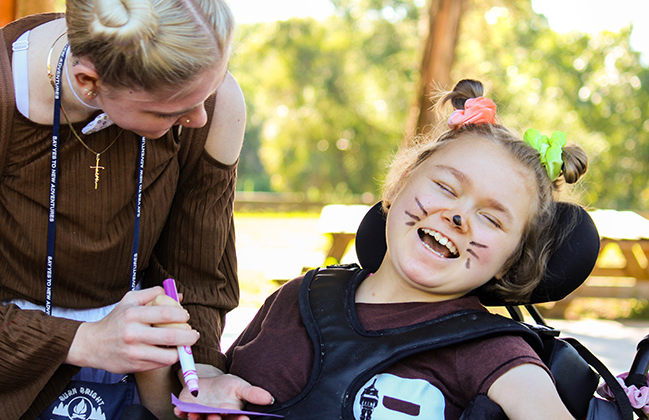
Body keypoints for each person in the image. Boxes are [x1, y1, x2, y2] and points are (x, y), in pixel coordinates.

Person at [0, 0, 270, 418]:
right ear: (88, 83)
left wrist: (204, 370)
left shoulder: (216, 109)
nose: (199, 118)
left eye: (210, 90)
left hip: (142, 384)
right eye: (169, 111)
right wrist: (87, 341)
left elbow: (198, 278)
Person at [224, 79, 589, 420]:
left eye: (492, 219)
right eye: (446, 188)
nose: (458, 217)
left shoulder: (495, 353)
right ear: (400, 183)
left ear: (511, 261)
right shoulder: (297, 297)